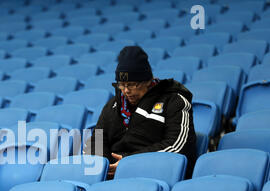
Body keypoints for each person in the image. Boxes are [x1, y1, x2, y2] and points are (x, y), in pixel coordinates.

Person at [84, 46, 197, 178]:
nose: (126, 91)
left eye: (131, 84)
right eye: (121, 84)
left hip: (153, 175)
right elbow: (96, 140)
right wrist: (103, 164)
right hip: (113, 176)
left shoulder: (174, 101)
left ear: (147, 81)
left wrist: (129, 161)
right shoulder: (113, 105)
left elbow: (177, 147)